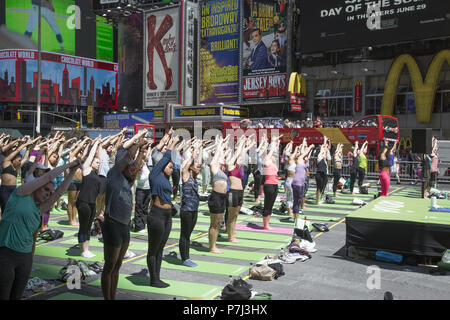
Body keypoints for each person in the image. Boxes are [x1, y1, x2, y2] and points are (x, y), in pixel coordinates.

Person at [0, 159, 81, 300]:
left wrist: (73, 171)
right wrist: (69, 164)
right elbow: (48, 177)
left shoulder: (39, 209)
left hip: (25, 258)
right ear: (36, 186)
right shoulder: (20, 194)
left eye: (49, 192)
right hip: (6, 254)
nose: (48, 194)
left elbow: (60, 191)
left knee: (17, 296)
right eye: (45, 189)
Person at [101, 135, 149, 299]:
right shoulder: (114, 173)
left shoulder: (128, 180)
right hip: (112, 224)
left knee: (117, 266)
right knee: (110, 266)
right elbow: (128, 158)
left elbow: (135, 165)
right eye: (128, 166)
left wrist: (142, 150)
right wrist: (138, 144)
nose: (133, 169)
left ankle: (112, 297)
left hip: (124, 226)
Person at [147, 134, 180, 288]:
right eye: (169, 166)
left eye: (172, 167)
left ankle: (157, 278)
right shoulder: (154, 175)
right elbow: (166, 157)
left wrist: (177, 147)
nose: (171, 168)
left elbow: (171, 158)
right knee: (153, 249)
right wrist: (172, 142)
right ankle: (153, 279)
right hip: (156, 216)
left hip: (167, 216)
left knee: (161, 248)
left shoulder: (166, 180)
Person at [76, 138, 102, 258]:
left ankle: (86, 249)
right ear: (91, 163)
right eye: (96, 162)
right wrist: (95, 143)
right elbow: (91, 156)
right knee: (83, 226)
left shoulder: (97, 174)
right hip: (83, 202)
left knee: (88, 226)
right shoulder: (86, 170)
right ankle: (83, 250)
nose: (98, 164)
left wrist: (99, 146)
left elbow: (99, 158)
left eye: (98, 163)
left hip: (92, 203)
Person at [179, 139, 202, 267]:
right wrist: (193, 151)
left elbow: (198, 162)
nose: (199, 168)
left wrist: (199, 149)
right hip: (186, 210)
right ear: (191, 167)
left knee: (188, 235)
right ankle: (185, 258)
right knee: (185, 234)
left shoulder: (194, 178)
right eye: (197, 166)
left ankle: (187, 257)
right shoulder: (186, 175)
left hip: (194, 210)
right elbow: (186, 165)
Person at [226, 137, 255, 240]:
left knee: (235, 216)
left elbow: (242, 152)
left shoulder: (240, 168)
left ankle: (232, 233)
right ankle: (230, 236)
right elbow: (237, 154)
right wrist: (241, 143)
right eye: (238, 159)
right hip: (232, 192)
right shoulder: (230, 166)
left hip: (239, 193)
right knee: (231, 216)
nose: (241, 160)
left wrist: (247, 144)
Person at [0, 137, 36, 213]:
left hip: (13, 189)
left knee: (12, 209)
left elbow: (26, 158)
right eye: (19, 160)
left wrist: (28, 149)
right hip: (5, 189)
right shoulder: (6, 163)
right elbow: (17, 150)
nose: (20, 162)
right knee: (5, 209)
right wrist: (25, 143)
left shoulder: (17, 167)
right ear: (13, 160)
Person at [207, 135, 228, 254]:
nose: (223, 159)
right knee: (214, 224)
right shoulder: (214, 168)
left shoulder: (220, 170)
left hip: (222, 197)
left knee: (218, 223)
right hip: (216, 197)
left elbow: (221, 155)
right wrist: (219, 144)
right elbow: (215, 159)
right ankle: (212, 247)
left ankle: (213, 245)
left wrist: (223, 145)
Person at [262, 135, 281, 230]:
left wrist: (276, 143)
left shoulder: (273, 163)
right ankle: (265, 225)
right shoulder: (267, 162)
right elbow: (270, 153)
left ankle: (267, 224)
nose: (276, 157)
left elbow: (275, 151)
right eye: (274, 156)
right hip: (269, 185)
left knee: (271, 205)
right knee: (267, 204)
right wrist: (272, 143)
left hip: (275, 185)